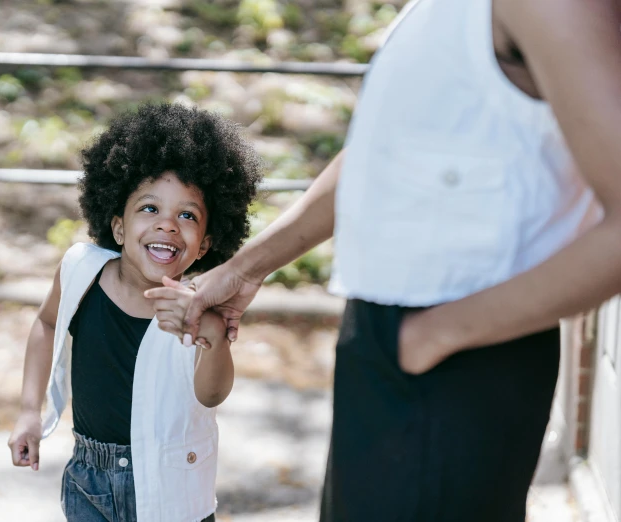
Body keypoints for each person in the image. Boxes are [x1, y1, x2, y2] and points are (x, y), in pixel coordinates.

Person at [144, 0, 621, 520]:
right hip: (395, 343)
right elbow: (384, 151)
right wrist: (243, 269)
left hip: (458, 357)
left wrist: (434, 335)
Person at [7, 102, 261, 522]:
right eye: (149, 208)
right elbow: (48, 322)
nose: (167, 224)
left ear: (204, 245)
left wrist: (213, 341)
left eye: (187, 215)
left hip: (173, 492)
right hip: (89, 483)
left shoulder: (199, 310)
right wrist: (30, 412)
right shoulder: (80, 272)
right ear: (118, 226)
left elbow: (212, 395)